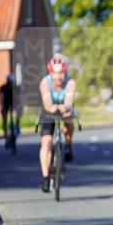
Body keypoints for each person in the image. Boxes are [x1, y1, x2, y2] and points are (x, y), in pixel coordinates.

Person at [38, 55, 77, 192]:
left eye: (61, 73)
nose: (59, 77)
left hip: (64, 110)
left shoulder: (70, 82)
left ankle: (68, 145)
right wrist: (52, 107)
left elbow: (69, 101)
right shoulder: (45, 82)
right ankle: (45, 177)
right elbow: (47, 102)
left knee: (69, 121)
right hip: (49, 111)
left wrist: (64, 108)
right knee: (46, 141)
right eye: (55, 73)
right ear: (50, 73)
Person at [0, 73, 18, 147]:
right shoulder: (3, 88)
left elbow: (18, 98)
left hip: (13, 104)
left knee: (16, 117)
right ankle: (6, 136)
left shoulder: (16, 88)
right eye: (10, 82)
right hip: (5, 104)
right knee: (5, 120)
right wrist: (3, 109)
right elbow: (1, 99)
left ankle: (17, 129)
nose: (11, 83)